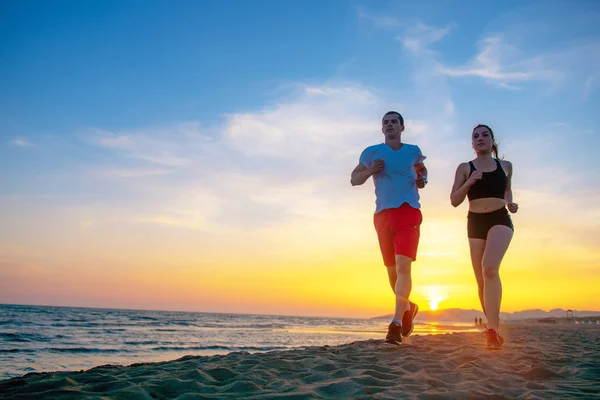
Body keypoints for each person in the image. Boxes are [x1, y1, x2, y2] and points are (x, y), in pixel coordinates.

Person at [351, 111, 428, 345]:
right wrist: (371, 171)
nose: (390, 125)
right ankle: (408, 307)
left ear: (402, 127)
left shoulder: (412, 150)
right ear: (382, 129)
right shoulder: (371, 152)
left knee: (404, 268)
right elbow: (354, 179)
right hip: (383, 215)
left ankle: (395, 323)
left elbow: (421, 170)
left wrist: (422, 179)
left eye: (394, 121)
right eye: (386, 122)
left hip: (409, 212)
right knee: (392, 274)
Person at [450, 124, 518, 350]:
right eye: (475, 136)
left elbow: (507, 192)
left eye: (485, 135)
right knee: (481, 280)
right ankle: (493, 331)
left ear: (492, 141)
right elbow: (454, 200)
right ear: (472, 143)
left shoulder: (505, 166)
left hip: (500, 218)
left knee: (489, 268)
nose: (480, 138)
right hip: (475, 222)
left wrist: (511, 203)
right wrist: (470, 181)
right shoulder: (465, 167)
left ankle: (492, 330)